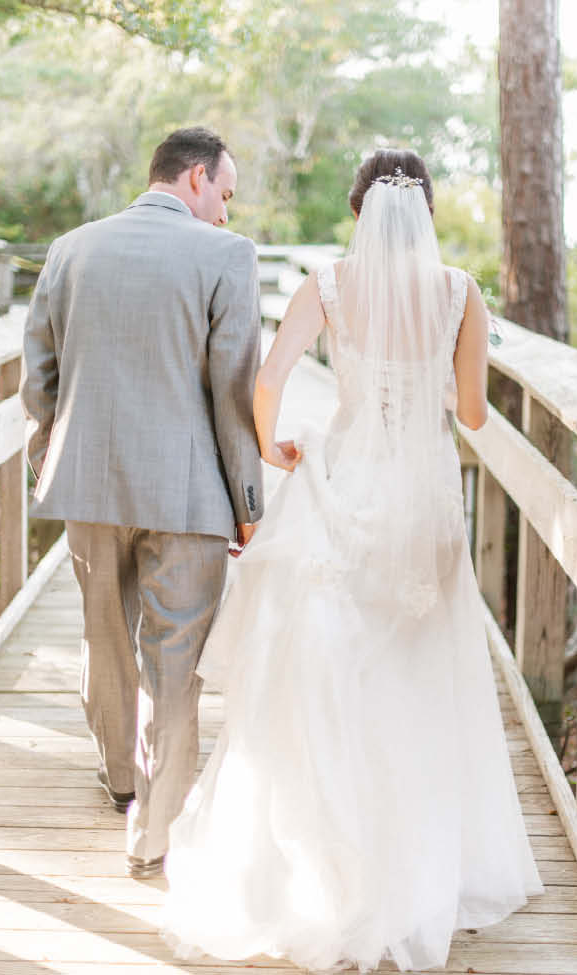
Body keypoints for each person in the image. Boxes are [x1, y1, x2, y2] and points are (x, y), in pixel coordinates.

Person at [157, 148, 543, 973]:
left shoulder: (329, 286)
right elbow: (472, 414)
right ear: (426, 212)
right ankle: (418, 861)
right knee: (416, 670)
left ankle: (327, 862)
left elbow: (268, 381)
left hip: (346, 478)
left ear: (360, 209)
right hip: (424, 498)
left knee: (328, 667)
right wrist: (437, 375)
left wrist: (275, 448)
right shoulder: (460, 293)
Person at [19, 126, 264, 880]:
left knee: (105, 639)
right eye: (224, 193)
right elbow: (233, 392)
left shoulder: (71, 249)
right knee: (174, 660)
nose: (226, 211)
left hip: (88, 484)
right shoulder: (227, 256)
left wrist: (49, 458)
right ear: (195, 178)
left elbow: (40, 375)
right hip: (188, 491)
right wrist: (247, 501)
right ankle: (154, 828)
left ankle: (120, 779)